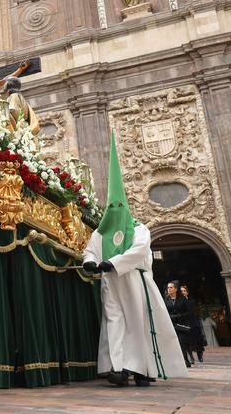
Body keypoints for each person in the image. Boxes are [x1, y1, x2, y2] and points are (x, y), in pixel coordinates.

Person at [82, 132, 187, 387]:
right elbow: (91, 249)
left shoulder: (140, 229)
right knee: (114, 322)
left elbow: (139, 250)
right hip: (110, 282)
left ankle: (141, 368)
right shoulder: (101, 232)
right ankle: (116, 367)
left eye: (119, 207)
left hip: (133, 279)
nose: (115, 212)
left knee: (137, 323)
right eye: (112, 208)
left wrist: (114, 262)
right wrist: (90, 261)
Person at [164, 281, 192, 369]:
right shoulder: (165, 300)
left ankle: (185, 360)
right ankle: (174, 362)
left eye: (171, 287)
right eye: (168, 287)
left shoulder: (182, 299)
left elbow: (189, 311)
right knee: (171, 344)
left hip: (181, 324)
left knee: (181, 342)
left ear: (176, 289)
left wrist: (179, 315)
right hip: (170, 325)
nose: (169, 289)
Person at [180, 286, 206, 364]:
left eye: (184, 291)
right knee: (188, 342)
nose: (183, 292)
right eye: (181, 291)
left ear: (187, 292)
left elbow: (192, 311)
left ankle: (199, 355)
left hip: (194, 323)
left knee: (197, 340)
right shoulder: (180, 302)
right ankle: (191, 357)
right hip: (185, 323)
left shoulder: (192, 301)